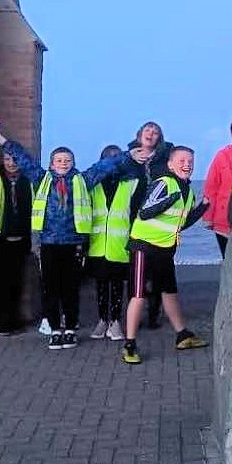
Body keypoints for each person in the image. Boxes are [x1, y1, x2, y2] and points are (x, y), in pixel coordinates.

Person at [0, 132, 136, 351]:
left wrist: (129, 154)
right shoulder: (42, 178)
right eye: (59, 160)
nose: (63, 163)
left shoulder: (83, 180)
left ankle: (70, 328)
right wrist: (5, 142)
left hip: (73, 244)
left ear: (73, 163)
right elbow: (24, 159)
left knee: (70, 289)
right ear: (51, 164)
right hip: (49, 243)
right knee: (51, 289)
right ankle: (55, 330)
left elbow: (104, 167)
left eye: (68, 160)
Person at [121, 146, 210, 364]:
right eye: (181, 160)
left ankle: (182, 335)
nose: (187, 164)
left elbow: (182, 222)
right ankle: (130, 345)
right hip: (144, 246)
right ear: (170, 164)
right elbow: (146, 211)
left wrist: (202, 208)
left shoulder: (188, 192)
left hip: (165, 249)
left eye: (190, 161)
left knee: (169, 292)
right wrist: (169, 199)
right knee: (139, 295)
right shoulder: (164, 183)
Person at [87, 145, 139, 342]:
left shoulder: (130, 183)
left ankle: (115, 321)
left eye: (116, 158)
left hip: (120, 244)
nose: (112, 161)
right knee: (101, 285)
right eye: (108, 158)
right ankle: (102, 319)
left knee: (117, 285)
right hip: (98, 244)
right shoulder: (93, 184)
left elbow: (135, 213)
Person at [124, 121, 172, 329]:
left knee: (158, 270)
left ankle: (154, 312)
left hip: (158, 220)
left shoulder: (164, 160)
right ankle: (135, 313)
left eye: (155, 132)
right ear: (139, 134)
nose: (151, 134)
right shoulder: (128, 159)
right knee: (136, 272)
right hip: (134, 219)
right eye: (147, 130)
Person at [0, 151, 33, 335]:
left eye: (15, 159)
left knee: (16, 282)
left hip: (20, 241)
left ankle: (14, 319)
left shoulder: (27, 179)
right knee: (0, 284)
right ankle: (2, 322)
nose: (11, 163)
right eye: (7, 159)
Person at [203, 110, 232, 257]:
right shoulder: (222, 155)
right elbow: (211, 186)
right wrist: (208, 217)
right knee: (228, 258)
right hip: (223, 218)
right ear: (231, 134)